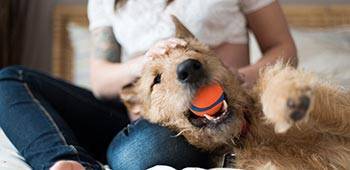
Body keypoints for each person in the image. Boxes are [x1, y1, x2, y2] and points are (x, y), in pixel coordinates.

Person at [0, 0, 297, 169]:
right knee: (10, 80)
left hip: (212, 113)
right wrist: (141, 65)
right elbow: (101, 81)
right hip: (136, 111)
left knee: (138, 153)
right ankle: (66, 162)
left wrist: (234, 77)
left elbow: (283, 47)